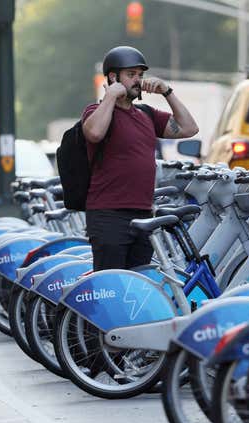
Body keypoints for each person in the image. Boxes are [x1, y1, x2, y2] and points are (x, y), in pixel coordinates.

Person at [82, 46, 198, 271]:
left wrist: (167, 92)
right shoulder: (95, 111)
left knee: (137, 288)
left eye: (140, 75)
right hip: (109, 216)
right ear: (113, 76)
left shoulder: (147, 114)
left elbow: (189, 128)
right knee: (111, 285)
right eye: (131, 74)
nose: (138, 80)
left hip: (144, 215)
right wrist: (111, 96)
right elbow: (94, 133)